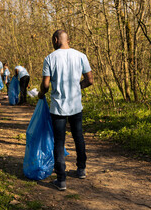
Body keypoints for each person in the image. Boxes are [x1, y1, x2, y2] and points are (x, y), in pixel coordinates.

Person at [38, 30, 94, 191]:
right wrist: (78, 87)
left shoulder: (50, 58)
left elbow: (46, 85)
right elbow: (90, 80)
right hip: (76, 105)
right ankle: (81, 169)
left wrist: (41, 93)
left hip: (58, 107)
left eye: (52, 40)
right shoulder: (81, 56)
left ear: (56, 40)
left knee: (59, 141)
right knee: (79, 137)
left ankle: (61, 179)